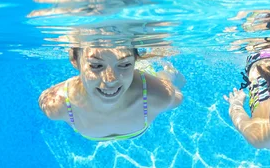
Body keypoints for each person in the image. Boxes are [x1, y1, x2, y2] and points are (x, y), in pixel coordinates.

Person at [39, 46, 184, 141]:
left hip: (146, 80)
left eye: (125, 64)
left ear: (134, 61)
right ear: (74, 61)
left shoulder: (159, 95)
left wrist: (171, 78)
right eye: (95, 65)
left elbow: (176, 91)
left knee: (169, 77)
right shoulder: (57, 104)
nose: (110, 80)